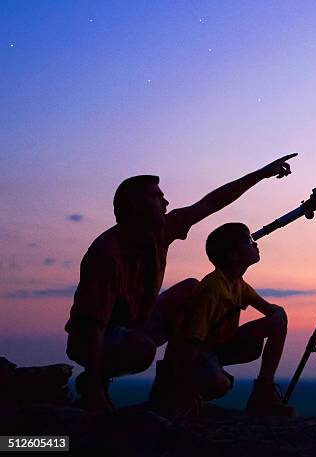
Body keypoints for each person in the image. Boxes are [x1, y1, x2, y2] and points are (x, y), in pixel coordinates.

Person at [65, 154, 297, 412]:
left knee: (189, 288)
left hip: (134, 324)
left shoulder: (161, 231)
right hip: (95, 337)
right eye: (156, 196)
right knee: (142, 350)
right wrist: (96, 393)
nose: (165, 201)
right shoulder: (107, 255)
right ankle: (95, 382)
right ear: (134, 205)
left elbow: (211, 203)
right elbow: (92, 327)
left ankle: (173, 384)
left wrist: (261, 174)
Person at [155, 222, 294, 417]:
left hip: (216, 346)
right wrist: (184, 385)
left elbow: (271, 311)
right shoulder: (213, 288)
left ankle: (263, 392)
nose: (255, 244)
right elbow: (192, 342)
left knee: (277, 321)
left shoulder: (237, 284)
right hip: (193, 351)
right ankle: (179, 394)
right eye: (248, 241)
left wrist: (278, 313)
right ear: (233, 255)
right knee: (219, 384)